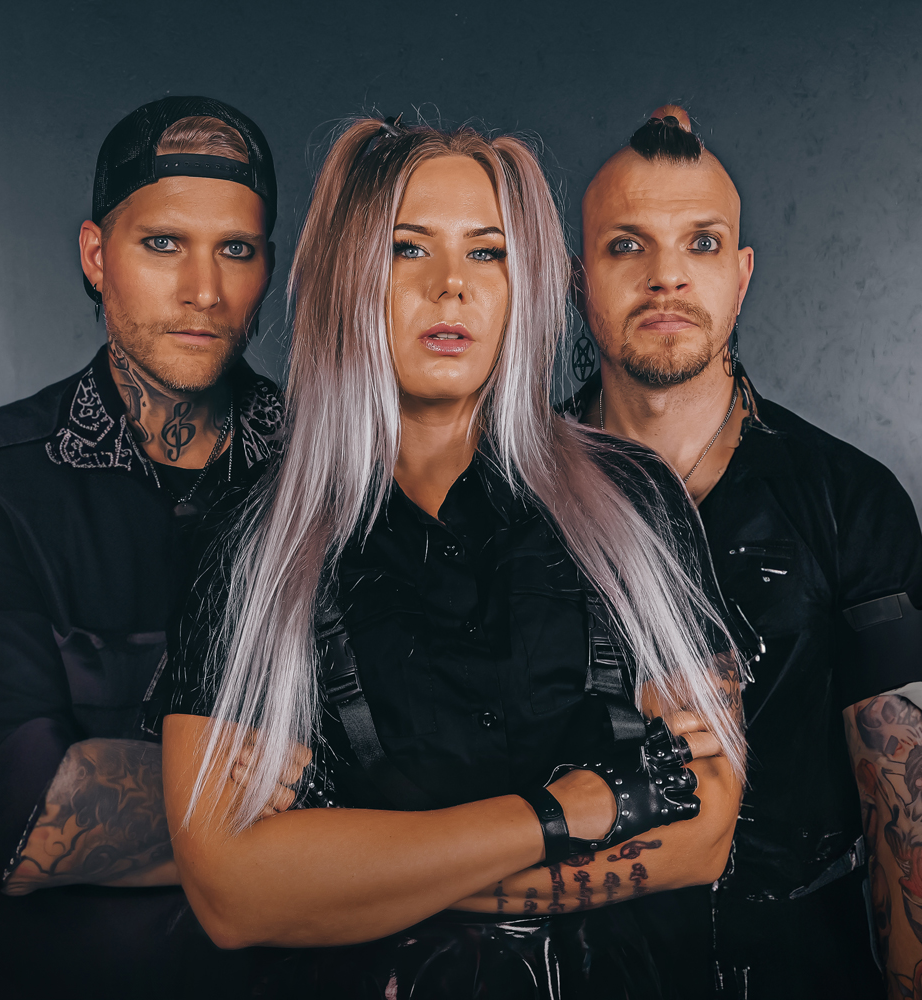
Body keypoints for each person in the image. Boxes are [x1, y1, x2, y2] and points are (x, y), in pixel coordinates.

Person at [154, 116, 749, 998]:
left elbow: (702, 839)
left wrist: (351, 871)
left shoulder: (634, 500)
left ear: (524, 281)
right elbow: (235, 896)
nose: (451, 287)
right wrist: (567, 810)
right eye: (408, 249)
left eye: (487, 252)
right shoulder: (251, 540)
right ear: (350, 275)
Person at [0, 96, 288, 998]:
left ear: (268, 267)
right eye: (163, 243)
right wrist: (354, 800)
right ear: (96, 255)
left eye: (236, 250)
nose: (204, 290)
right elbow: (15, 820)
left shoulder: (337, 469)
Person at [564, 105, 922, 998]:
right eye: (627, 246)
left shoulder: (849, 499)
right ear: (578, 279)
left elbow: (906, 814)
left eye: (702, 243)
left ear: (742, 273)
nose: (667, 276)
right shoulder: (508, 498)